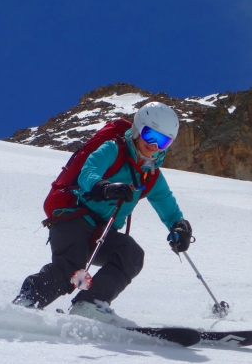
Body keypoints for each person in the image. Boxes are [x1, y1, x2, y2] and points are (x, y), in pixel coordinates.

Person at [13, 102, 193, 325]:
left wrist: (179, 226)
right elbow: (88, 173)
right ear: (138, 129)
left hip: (101, 230)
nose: (155, 145)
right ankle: (28, 299)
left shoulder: (152, 175)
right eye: (150, 135)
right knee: (71, 269)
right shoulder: (113, 149)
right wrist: (105, 187)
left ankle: (90, 304)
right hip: (73, 216)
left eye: (163, 141)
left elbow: (167, 204)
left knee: (131, 254)